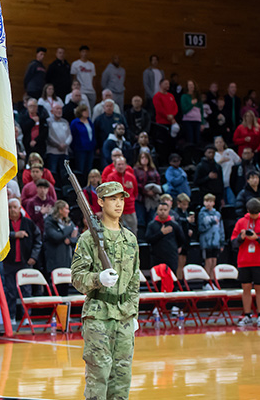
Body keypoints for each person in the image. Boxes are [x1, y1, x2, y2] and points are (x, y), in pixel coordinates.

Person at [71, 181, 139, 400]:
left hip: (125, 315)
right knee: (99, 374)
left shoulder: (130, 239)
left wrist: (134, 312)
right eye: (112, 199)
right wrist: (97, 279)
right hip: (98, 314)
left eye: (121, 199)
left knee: (122, 377)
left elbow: (134, 281)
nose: (118, 204)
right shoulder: (88, 238)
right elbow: (77, 278)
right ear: (100, 202)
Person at [231, 198, 260, 328]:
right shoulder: (241, 222)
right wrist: (241, 237)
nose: (254, 215)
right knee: (246, 289)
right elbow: (233, 243)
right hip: (244, 261)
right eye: (252, 213)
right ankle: (247, 315)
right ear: (248, 211)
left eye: (256, 213)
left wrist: (257, 238)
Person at [1, 198, 41, 322]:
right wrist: (14, 235)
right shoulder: (3, 223)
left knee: (26, 292)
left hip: (25, 262)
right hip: (8, 262)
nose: (12, 209)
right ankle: (11, 317)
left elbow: (38, 241)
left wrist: (34, 256)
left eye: (14, 207)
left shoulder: (28, 223)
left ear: (19, 209)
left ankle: (26, 317)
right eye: (9, 207)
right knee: (11, 292)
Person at [145, 201, 186, 273]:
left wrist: (175, 247)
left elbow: (182, 239)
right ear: (157, 211)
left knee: (171, 279)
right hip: (156, 257)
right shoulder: (152, 225)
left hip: (171, 257)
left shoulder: (174, 225)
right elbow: (148, 239)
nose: (163, 212)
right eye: (160, 210)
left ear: (169, 211)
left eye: (165, 210)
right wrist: (161, 233)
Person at [198, 193, 224, 283]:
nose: (208, 203)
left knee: (214, 262)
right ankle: (206, 282)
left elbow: (221, 229)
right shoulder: (202, 214)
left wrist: (222, 242)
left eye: (210, 201)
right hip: (206, 242)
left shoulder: (217, 214)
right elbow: (201, 228)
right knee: (208, 262)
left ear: (213, 203)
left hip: (216, 241)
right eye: (206, 201)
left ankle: (213, 282)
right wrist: (212, 222)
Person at [71, 104, 96, 177]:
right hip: (80, 149)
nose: (87, 112)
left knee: (89, 168)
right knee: (81, 168)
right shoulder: (75, 123)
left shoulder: (89, 121)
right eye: (85, 111)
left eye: (87, 111)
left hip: (90, 148)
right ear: (80, 112)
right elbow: (73, 135)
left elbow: (93, 134)